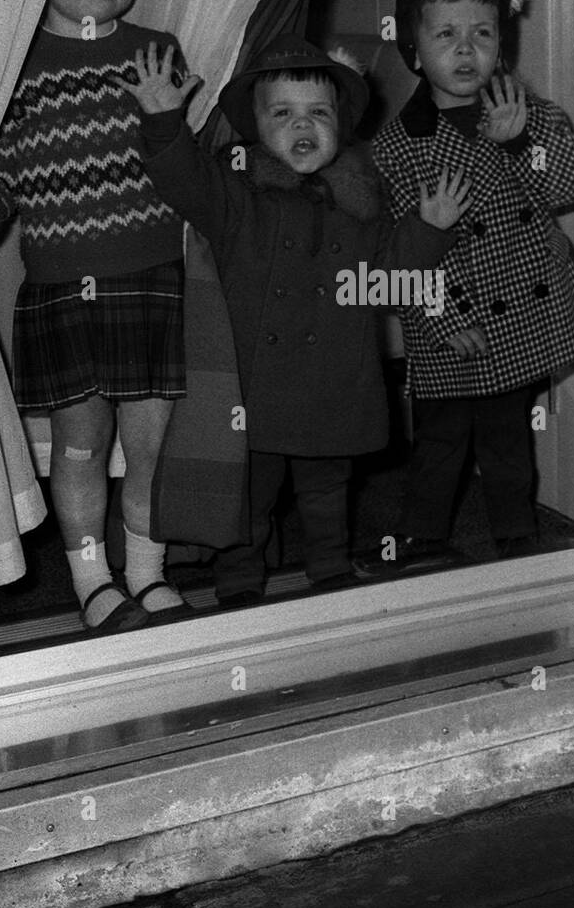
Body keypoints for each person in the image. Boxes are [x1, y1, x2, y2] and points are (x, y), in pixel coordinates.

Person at [132, 34, 468, 604]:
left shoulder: (361, 202)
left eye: (318, 112)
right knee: (250, 496)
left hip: (331, 382)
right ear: (255, 128)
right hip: (255, 389)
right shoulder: (237, 196)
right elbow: (185, 180)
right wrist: (164, 121)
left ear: (341, 123)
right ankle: (238, 582)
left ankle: (331, 571)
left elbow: (391, 279)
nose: (301, 124)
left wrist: (427, 229)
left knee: (327, 489)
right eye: (282, 113)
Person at [355, 0, 574, 575]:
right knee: (440, 441)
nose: (466, 49)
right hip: (448, 320)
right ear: (413, 49)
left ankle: (517, 534)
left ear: (503, 43)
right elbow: (393, 260)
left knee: (508, 438)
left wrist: (525, 142)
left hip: (517, 317)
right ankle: (421, 538)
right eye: (446, 34)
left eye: (482, 32)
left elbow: (571, 183)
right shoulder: (397, 146)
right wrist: (443, 323)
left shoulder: (524, 114)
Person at [0, 0, 198, 633]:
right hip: (59, 288)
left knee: (152, 443)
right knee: (81, 447)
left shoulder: (158, 53)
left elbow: (185, 174)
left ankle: (147, 574)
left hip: (151, 280)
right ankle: (91, 581)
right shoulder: (11, 71)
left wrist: (165, 119)